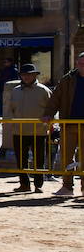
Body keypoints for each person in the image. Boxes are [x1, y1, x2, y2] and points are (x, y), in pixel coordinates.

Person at [1, 64, 52, 192]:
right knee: (21, 160)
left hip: (39, 131)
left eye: (29, 74)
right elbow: (10, 109)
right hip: (19, 130)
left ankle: (38, 184)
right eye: (24, 75)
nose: (26, 77)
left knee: (39, 159)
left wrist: (50, 124)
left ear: (35, 75)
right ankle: (24, 184)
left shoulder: (44, 90)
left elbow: (51, 109)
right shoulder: (15, 91)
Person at [40, 50, 84, 196]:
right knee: (66, 157)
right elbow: (55, 99)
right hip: (68, 124)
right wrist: (48, 114)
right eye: (80, 63)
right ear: (76, 64)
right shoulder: (67, 79)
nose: (82, 65)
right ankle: (67, 187)